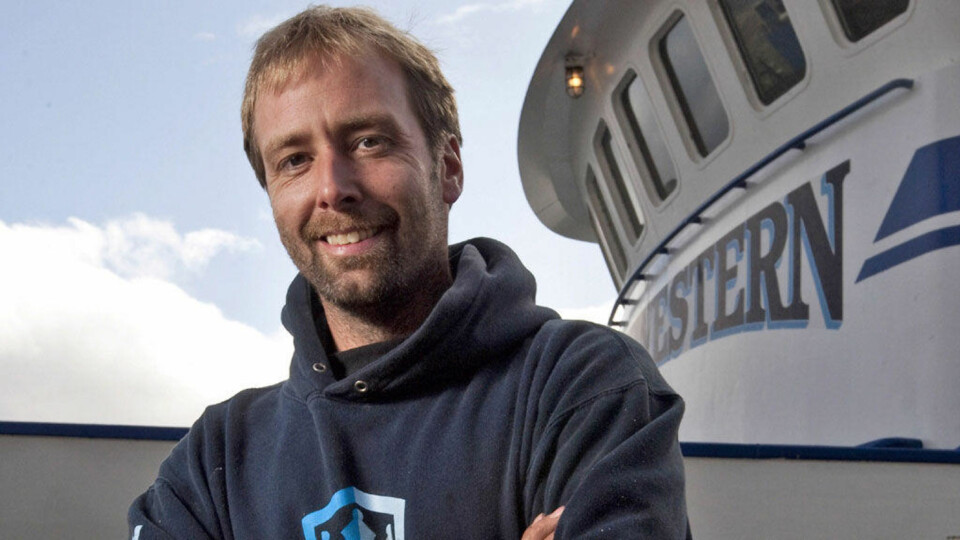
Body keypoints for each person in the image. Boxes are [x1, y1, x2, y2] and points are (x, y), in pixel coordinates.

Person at [129, 5, 690, 539]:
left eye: (368, 142)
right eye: (295, 160)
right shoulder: (214, 464)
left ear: (448, 168)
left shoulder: (582, 388)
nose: (332, 189)